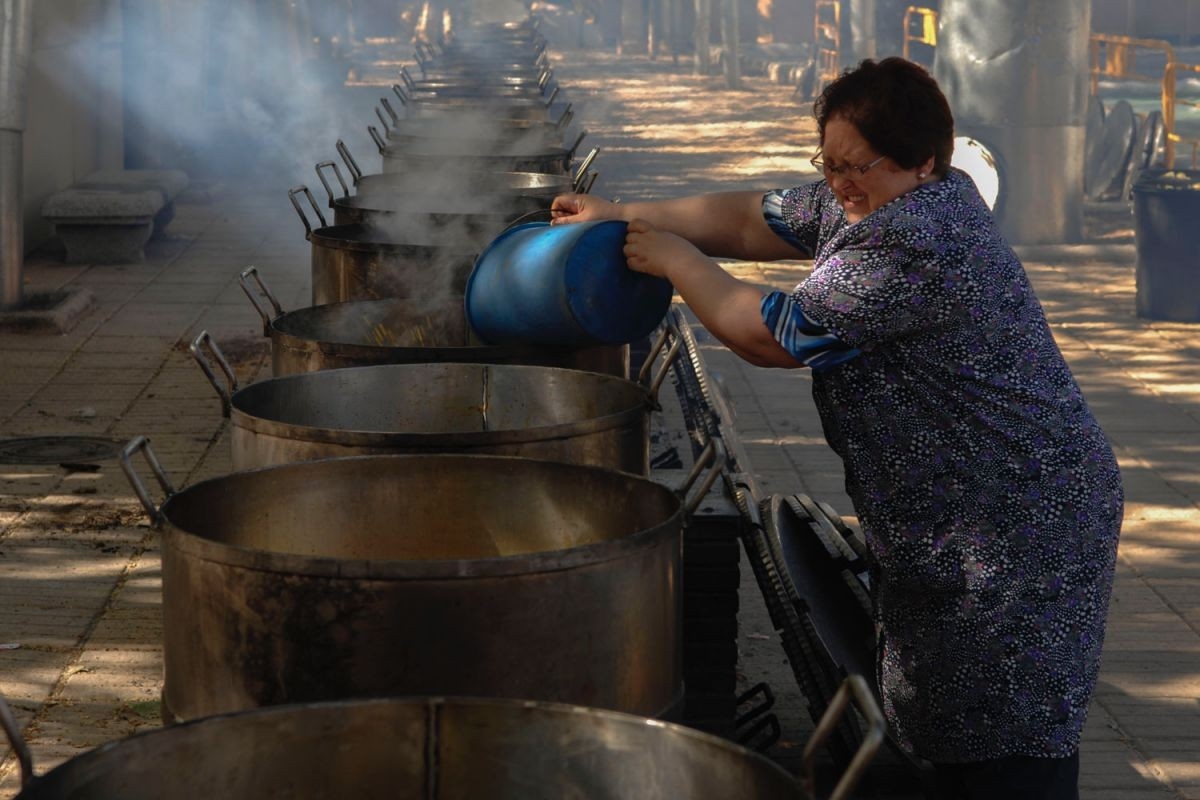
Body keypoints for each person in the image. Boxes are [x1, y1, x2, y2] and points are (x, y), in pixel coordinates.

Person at [550, 57, 1123, 800]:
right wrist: (627, 215)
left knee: (1006, 739)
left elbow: (778, 336)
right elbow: (754, 216)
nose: (843, 183)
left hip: (1018, 527)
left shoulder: (919, 237)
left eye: (862, 166)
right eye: (831, 162)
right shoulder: (870, 201)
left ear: (924, 162)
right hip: (955, 517)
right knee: (944, 715)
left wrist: (678, 264)